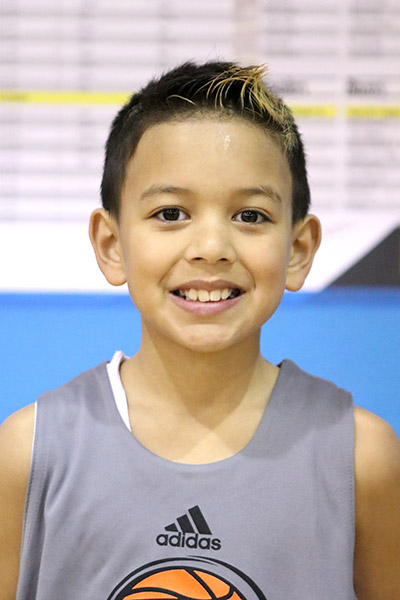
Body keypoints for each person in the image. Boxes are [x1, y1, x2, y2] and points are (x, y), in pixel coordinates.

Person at [1, 61, 399, 600]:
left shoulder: (361, 458)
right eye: (170, 213)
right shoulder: (28, 454)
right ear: (111, 245)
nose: (211, 247)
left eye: (250, 216)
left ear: (298, 250)